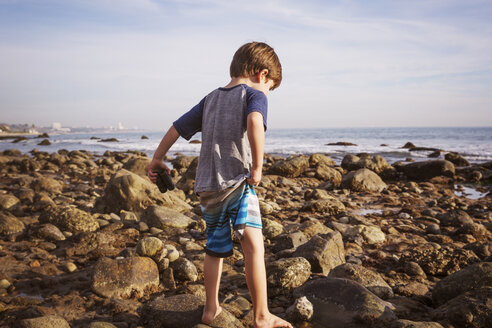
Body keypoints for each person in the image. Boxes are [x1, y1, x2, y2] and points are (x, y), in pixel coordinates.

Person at [147, 41, 292, 328]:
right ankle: (262, 315)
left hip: (208, 187)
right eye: (270, 87)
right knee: (254, 246)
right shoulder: (254, 95)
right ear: (262, 74)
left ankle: (210, 309)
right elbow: (253, 122)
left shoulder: (210, 98)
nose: (268, 93)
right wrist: (258, 165)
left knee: (214, 248)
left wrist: (157, 159)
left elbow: (176, 128)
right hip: (238, 183)